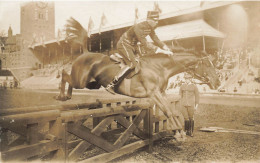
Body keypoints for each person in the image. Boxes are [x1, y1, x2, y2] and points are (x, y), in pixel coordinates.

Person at [106, 10, 173, 94]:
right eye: (154, 20)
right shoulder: (139, 26)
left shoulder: (150, 27)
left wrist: (166, 47)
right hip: (124, 44)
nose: (156, 22)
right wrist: (160, 51)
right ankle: (112, 84)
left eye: (157, 20)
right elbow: (144, 42)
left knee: (142, 62)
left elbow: (155, 39)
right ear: (148, 19)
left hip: (133, 46)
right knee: (133, 64)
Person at [179, 73, 200, 137]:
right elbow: (180, 95)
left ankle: (191, 132)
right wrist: (180, 104)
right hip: (183, 104)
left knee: (191, 118)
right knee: (186, 118)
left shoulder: (194, 86)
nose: (187, 80)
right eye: (186, 79)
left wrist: (196, 106)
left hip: (191, 104)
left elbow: (197, 96)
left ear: (191, 79)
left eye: (188, 79)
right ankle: (186, 131)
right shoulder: (182, 86)